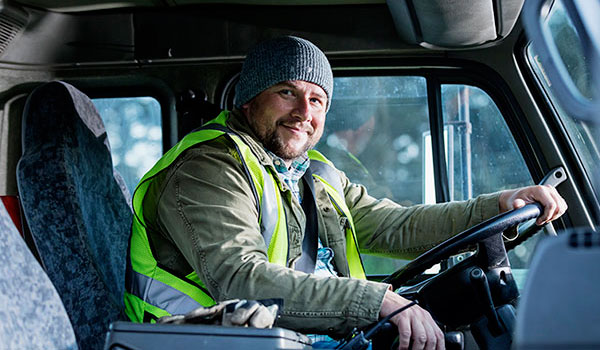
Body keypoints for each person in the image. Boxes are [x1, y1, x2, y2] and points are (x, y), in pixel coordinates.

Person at [124, 36, 567, 350]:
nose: (303, 112)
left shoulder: (313, 173)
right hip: (214, 341)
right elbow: (240, 279)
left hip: (304, 336)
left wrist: (501, 205)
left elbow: (397, 226)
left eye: (317, 100)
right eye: (286, 92)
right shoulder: (207, 167)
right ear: (247, 100)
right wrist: (375, 301)